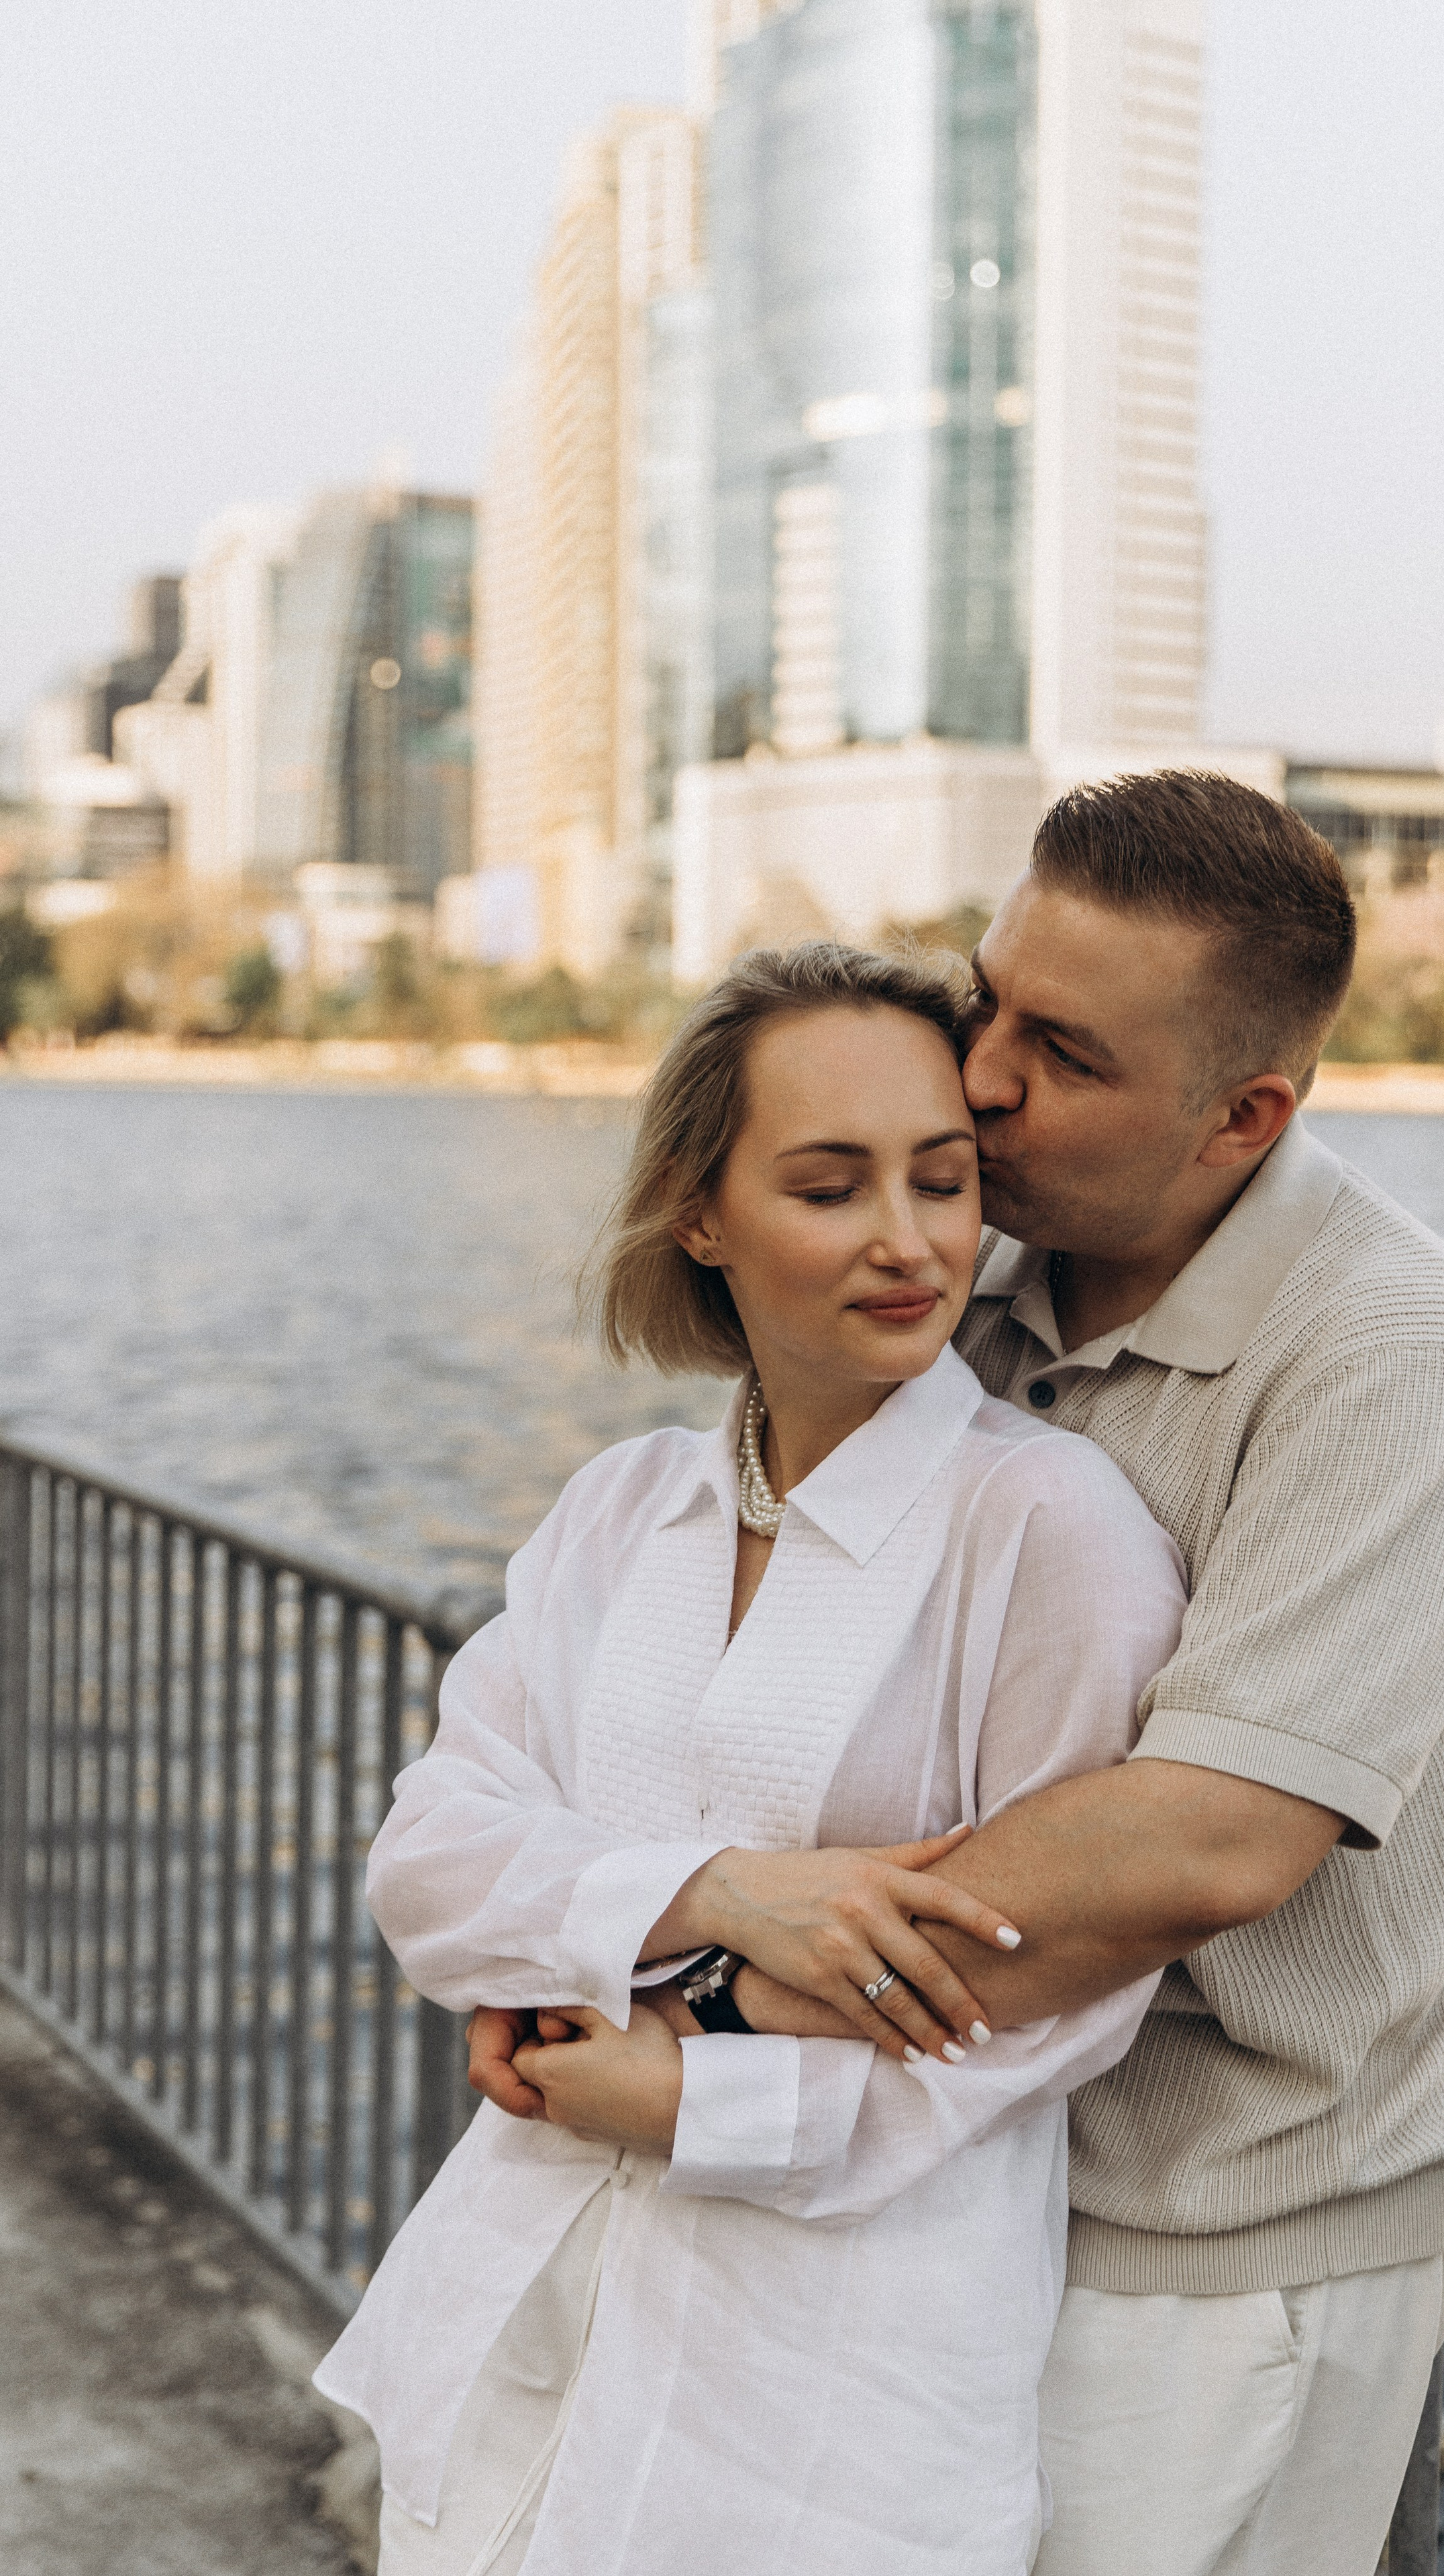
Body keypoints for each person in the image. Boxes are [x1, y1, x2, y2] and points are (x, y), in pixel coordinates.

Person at [471, 771, 1444, 2575]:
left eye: (1067, 1053)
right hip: (941, 2165)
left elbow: (1208, 1840)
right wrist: (606, 1919)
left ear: (1243, 1114)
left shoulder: (1390, 1346)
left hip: (1204, 2233)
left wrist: (700, 1997)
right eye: (991, 1003)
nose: (982, 1081)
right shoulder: (983, 1254)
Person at [315, 942, 1187, 2576]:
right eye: (827, 1184)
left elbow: (1045, 1993)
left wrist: (699, 2094)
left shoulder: (1048, 1533)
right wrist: (718, 1895)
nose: (905, 1242)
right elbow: (429, 1858)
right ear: (700, 1212)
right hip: (539, 2301)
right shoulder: (621, 1508)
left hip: (835, 2384)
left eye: (941, 1182)